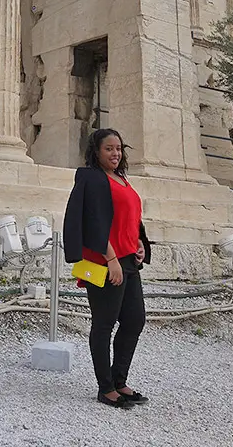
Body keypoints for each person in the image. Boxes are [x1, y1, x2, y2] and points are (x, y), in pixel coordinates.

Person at [63, 128, 151, 409]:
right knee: (104, 324)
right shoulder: (90, 178)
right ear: (96, 152)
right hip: (105, 261)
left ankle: (120, 380)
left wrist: (139, 243)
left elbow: (129, 218)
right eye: (108, 149)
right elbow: (92, 221)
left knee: (135, 319)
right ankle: (106, 388)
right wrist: (111, 258)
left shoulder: (122, 179)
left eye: (118, 148)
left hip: (128, 259)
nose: (115, 153)